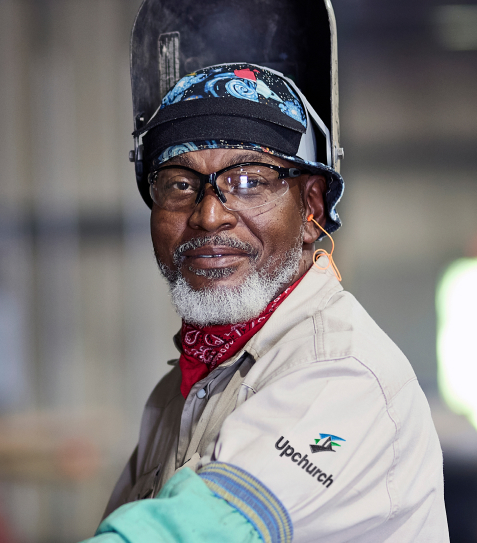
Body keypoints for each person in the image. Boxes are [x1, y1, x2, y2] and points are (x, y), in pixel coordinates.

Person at [81, 2, 449, 542]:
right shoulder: (178, 392)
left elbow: (195, 532)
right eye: (180, 184)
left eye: (249, 181)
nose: (209, 216)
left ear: (311, 209)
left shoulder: (342, 374)